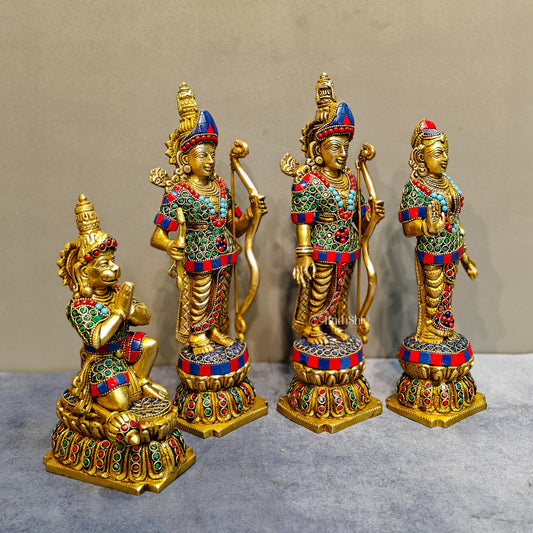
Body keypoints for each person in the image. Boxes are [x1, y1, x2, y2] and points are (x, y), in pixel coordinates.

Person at [150, 82, 266, 355]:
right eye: (202, 155)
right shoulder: (178, 193)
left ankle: (214, 330)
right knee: (200, 295)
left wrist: (252, 213)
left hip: (224, 252)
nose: (210, 160)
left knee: (220, 295)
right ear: (185, 160)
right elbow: (157, 236)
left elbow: (235, 227)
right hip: (198, 255)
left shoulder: (222, 187)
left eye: (212, 154)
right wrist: (170, 245)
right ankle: (198, 334)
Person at [285, 73, 385, 345]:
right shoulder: (308, 181)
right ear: (318, 151)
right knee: (320, 287)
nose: (342, 153)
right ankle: (313, 326)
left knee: (340, 289)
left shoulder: (350, 178)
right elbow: (304, 221)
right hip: (322, 245)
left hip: (347, 244)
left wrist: (371, 215)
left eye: (345, 147)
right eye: (335, 147)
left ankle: (330, 323)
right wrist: (303, 254)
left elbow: (358, 217)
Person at [399, 120, 477, 343]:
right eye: (438, 153)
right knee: (433, 295)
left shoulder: (447, 183)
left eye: (446, 152)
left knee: (447, 295)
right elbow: (407, 227)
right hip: (432, 251)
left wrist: (465, 258)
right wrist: (426, 227)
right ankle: (429, 334)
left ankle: (443, 330)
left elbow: (455, 221)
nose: (445, 158)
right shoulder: (415, 188)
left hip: (453, 248)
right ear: (421, 157)